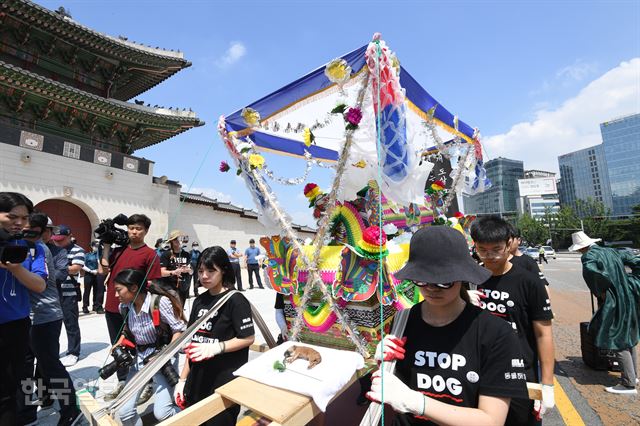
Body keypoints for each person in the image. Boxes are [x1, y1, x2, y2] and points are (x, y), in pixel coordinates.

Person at [366, 226, 528, 425]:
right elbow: (395, 387)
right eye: (422, 279)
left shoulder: (496, 334)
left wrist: (416, 402)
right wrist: (383, 364)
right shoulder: (402, 321)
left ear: (461, 276)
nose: (432, 288)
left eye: (444, 282)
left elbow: (491, 420)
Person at [470, 216, 555, 424]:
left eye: (496, 249)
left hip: (519, 373)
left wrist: (547, 384)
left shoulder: (529, 282)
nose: (489, 256)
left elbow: (543, 333)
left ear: (509, 243)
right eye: (482, 249)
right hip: (479, 369)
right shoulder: (470, 280)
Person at [174, 246, 255, 425]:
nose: (204, 276)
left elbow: (248, 338)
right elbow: (193, 345)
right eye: (201, 271)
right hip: (196, 383)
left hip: (223, 385)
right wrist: (182, 380)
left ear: (223, 271)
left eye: (211, 271)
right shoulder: (198, 302)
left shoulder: (236, 300)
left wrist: (218, 347)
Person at [18, 212, 81, 426]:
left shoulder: (40, 250)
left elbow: (42, 281)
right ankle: (27, 413)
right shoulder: (23, 245)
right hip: (25, 317)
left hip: (45, 317)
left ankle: (71, 410)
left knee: (50, 366)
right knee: (25, 368)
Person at [111, 269, 186, 426]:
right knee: (124, 412)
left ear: (133, 288)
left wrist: (163, 355)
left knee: (162, 413)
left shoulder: (158, 303)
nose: (116, 295)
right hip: (140, 361)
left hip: (162, 362)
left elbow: (179, 329)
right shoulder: (124, 308)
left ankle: (189, 418)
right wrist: (121, 341)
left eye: (119, 290)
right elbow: (128, 329)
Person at [570, 231, 640, 395]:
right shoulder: (611, 251)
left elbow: (591, 272)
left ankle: (628, 384)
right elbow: (636, 261)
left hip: (613, 301)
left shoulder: (588, 256)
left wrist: (602, 291)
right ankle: (633, 375)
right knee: (627, 337)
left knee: (616, 339)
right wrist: (630, 282)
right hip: (628, 296)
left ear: (582, 247)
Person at [101, 214, 162, 402]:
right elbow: (104, 269)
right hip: (112, 306)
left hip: (135, 310)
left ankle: (147, 382)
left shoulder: (150, 254)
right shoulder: (118, 251)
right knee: (118, 347)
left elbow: (153, 283)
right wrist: (106, 246)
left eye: (138, 228)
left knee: (142, 347)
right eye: (131, 228)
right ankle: (122, 383)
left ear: (146, 231)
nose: (134, 232)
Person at [0, 192, 46, 425]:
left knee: (13, 386)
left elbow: (39, 285)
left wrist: (14, 268)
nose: (19, 223)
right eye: (11, 216)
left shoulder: (31, 248)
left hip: (16, 326)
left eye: (24, 218)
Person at [52, 225, 85, 367]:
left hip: (68, 293)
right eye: (56, 240)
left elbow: (75, 268)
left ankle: (73, 352)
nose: (58, 242)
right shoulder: (51, 249)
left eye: (61, 240)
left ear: (70, 236)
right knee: (52, 325)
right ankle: (52, 351)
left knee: (71, 323)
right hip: (52, 292)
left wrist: (54, 268)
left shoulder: (78, 250)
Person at [159, 230, 192, 306]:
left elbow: (192, 271)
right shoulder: (166, 254)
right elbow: (161, 272)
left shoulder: (186, 254)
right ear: (172, 241)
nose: (178, 240)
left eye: (180, 238)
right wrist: (174, 272)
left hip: (183, 287)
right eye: (176, 238)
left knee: (180, 311)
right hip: (170, 288)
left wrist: (188, 270)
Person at [83, 240, 105, 314]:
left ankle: (97, 306)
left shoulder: (101, 255)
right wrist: (90, 271)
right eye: (95, 246)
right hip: (89, 274)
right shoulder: (87, 255)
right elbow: (83, 265)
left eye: (98, 246)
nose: (97, 248)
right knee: (87, 291)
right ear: (92, 246)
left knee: (98, 290)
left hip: (98, 273)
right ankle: (85, 306)